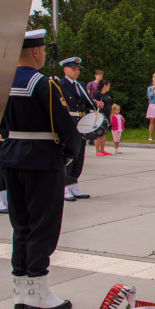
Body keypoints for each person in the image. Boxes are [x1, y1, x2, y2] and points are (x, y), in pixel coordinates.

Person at [2, 30, 82, 309]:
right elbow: (66, 127)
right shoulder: (41, 84)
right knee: (42, 225)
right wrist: (68, 155)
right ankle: (37, 292)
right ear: (36, 51)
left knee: (20, 225)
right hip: (41, 159)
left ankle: (21, 292)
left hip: (11, 156)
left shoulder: (2, 81)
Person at [58, 57, 96, 201]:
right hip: (69, 121)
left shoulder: (80, 85)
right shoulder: (60, 85)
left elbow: (85, 102)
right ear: (65, 70)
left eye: (78, 69)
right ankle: (64, 187)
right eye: (73, 69)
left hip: (81, 122)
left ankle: (73, 184)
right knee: (68, 156)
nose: (76, 71)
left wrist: (95, 104)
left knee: (79, 155)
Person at [90, 80, 112, 156]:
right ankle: (97, 150)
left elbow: (109, 105)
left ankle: (102, 149)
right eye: (108, 85)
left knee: (104, 133)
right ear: (105, 86)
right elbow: (93, 101)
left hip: (107, 114)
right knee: (98, 133)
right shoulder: (97, 94)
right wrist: (97, 103)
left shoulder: (106, 95)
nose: (109, 87)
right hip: (100, 115)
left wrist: (110, 115)